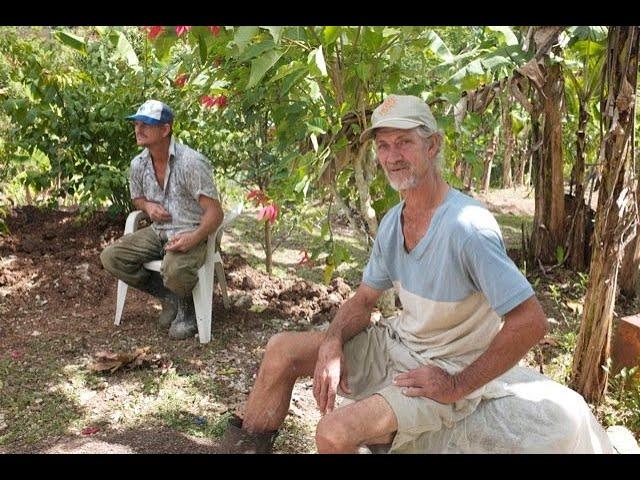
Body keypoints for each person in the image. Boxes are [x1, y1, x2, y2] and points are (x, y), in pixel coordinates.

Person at [217, 94, 613, 453]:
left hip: (445, 366)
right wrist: (332, 342)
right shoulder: (394, 222)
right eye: (384, 145)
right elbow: (363, 300)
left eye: (404, 142)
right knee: (282, 351)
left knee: (332, 434)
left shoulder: (467, 228)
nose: (393, 156)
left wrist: (456, 385)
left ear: (432, 145)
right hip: (398, 345)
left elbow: (531, 322)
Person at [101, 99, 223, 340]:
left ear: (165, 129)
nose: (138, 129)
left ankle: (187, 309)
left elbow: (215, 213)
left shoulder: (191, 163)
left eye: (146, 124)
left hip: (193, 233)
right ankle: (170, 297)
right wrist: (148, 206)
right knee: (111, 257)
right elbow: (137, 198)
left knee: (175, 268)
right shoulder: (138, 164)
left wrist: (194, 237)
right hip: (159, 232)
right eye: (136, 124)